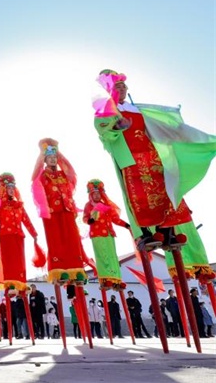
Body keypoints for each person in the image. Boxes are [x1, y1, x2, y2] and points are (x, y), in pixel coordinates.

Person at [93, 70, 216, 250]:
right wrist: (117, 125)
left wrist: (184, 134)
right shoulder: (106, 110)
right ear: (108, 89)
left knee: (164, 191)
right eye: (116, 86)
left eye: (123, 85)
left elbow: (159, 127)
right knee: (140, 197)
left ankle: (166, 233)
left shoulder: (136, 109)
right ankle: (146, 235)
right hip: (130, 159)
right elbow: (103, 131)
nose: (121, 88)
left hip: (152, 156)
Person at [31, 139, 86, 285]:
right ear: (45, 160)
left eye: (55, 158)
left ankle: (77, 270)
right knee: (56, 241)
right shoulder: (42, 175)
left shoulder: (63, 175)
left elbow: (70, 171)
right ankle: (59, 271)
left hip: (67, 210)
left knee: (72, 240)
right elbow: (33, 178)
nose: (53, 160)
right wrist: (41, 154)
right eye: (50, 158)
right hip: (51, 212)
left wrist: (59, 153)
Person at [0, 174, 39, 296]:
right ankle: (11, 284)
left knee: (20, 262)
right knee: (9, 261)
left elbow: (26, 220)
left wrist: (34, 233)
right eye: (8, 188)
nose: (11, 190)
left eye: (13, 187)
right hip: (6, 236)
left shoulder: (19, 206)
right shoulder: (0, 205)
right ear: (4, 189)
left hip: (18, 236)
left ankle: (21, 284)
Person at [83, 180, 131, 291]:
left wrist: (126, 225)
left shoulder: (106, 205)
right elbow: (85, 218)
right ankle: (105, 279)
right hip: (97, 233)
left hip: (109, 233)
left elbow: (115, 219)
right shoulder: (89, 205)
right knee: (102, 255)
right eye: (94, 193)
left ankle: (116, 279)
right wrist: (89, 220)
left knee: (112, 256)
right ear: (90, 194)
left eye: (98, 193)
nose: (96, 195)